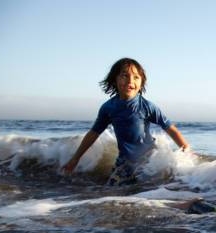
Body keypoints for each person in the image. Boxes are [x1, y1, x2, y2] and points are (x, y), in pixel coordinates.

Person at [62, 58, 190, 186]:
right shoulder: (108, 108)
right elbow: (94, 133)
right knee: (112, 191)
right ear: (115, 79)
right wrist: (75, 158)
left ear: (142, 82)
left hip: (149, 159)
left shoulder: (147, 106)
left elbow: (170, 128)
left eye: (136, 77)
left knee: (149, 190)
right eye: (124, 75)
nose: (130, 81)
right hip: (125, 161)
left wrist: (186, 151)